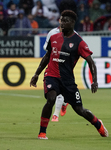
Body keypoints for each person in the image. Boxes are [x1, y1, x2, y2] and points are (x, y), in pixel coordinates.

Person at [30, 10, 108, 139]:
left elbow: (91, 62)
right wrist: (36, 74)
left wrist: (94, 81)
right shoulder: (53, 37)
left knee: (80, 110)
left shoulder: (79, 42)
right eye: (61, 20)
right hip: (51, 75)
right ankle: (42, 132)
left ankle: (98, 124)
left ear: (72, 23)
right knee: (51, 99)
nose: (62, 23)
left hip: (68, 81)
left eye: (65, 21)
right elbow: (47, 56)